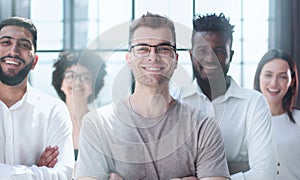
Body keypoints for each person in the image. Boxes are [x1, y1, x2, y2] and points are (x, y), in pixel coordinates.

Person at [75, 12, 230, 180]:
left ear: (175, 59)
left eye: (163, 49)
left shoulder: (203, 127)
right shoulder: (97, 124)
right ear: (129, 58)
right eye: (143, 49)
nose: (153, 57)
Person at [179, 13, 277, 180]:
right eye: (202, 51)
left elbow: (265, 174)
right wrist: (236, 168)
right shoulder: (175, 101)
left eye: (219, 51)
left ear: (230, 55)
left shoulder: (253, 103)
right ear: (191, 55)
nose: (210, 59)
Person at [0, 17, 74, 179]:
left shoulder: (54, 110)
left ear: (34, 62)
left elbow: (63, 175)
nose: (13, 51)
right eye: (5, 42)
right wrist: (36, 172)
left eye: (24, 45)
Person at [253, 49, 300, 180]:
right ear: (259, 77)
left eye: (282, 76)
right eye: (268, 75)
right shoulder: (245, 122)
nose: (274, 83)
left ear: (291, 81)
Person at [52, 50, 106, 161]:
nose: (77, 82)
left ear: (93, 85)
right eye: (70, 76)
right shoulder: (50, 123)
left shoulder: (103, 126)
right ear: (61, 83)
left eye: (85, 77)